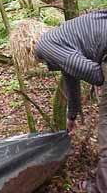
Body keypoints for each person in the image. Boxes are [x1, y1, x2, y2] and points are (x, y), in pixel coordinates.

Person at [34, 10, 107, 192]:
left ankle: (100, 188)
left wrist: (101, 81)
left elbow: (90, 71)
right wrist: (71, 116)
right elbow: (72, 79)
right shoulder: (63, 38)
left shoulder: (44, 45)